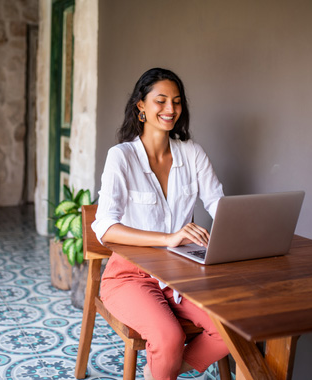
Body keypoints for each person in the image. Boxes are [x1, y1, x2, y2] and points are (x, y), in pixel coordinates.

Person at [91, 68, 229, 380]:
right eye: (161, 100)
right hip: (129, 277)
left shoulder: (191, 153)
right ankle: (163, 364)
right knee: (168, 338)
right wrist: (169, 237)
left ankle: (163, 371)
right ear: (141, 105)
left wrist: (242, 231)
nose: (171, 109)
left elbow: (219, 203)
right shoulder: (121, 157)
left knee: (230, 325)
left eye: (177, 102)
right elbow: (105, 229)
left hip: (182, 275)